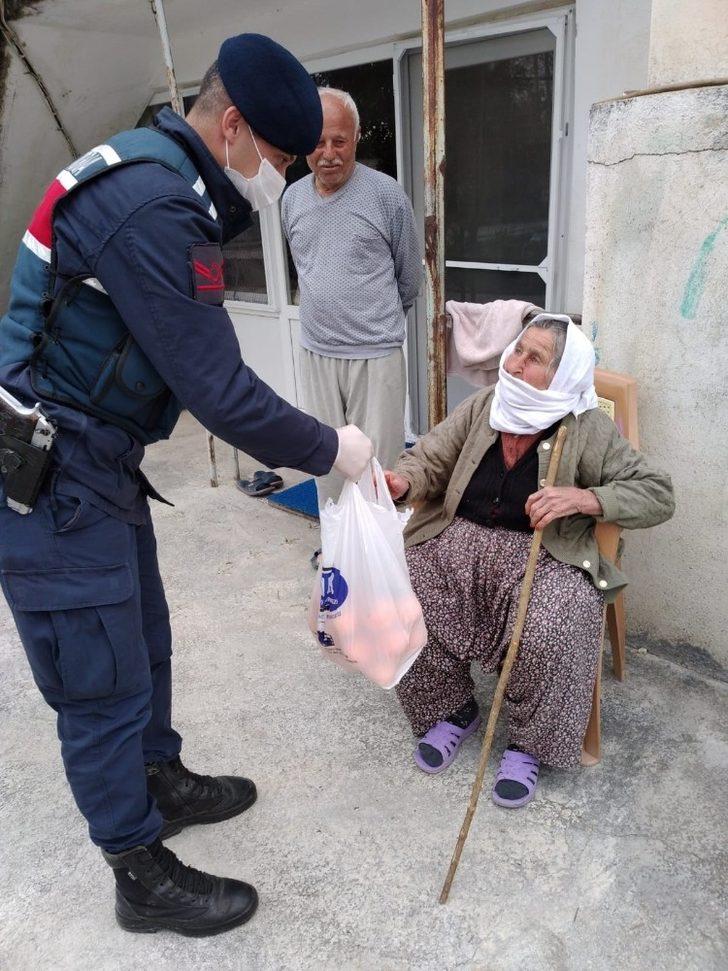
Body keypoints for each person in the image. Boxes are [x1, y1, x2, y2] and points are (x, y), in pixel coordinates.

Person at [0, 34, 373, 937]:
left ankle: (157, 777)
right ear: (233, 124)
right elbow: (220, 391)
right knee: (99, 680)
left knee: (145, 638)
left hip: (99, 460)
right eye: (278, 156)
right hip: (49, 478)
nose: (280, 175)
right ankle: (138, 870)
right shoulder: (153, 204)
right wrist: (335, 449)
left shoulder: (159, 174)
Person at [384, 315, 674, 807]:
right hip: (459, 538)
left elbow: (657, 494)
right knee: (398, 593)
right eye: (516, 350)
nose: (513, 365)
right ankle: (451, 710)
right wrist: (403, 483)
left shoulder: (587, 428)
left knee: (554, 623)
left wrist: (584, 499)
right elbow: (430, 457)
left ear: (561, 376)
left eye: (533, 358)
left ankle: (528, 745)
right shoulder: (485, 405)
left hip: (546, 554)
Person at [281, 86, 422, 514]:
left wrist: (373, 323)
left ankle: (380, 557)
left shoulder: (385, 195)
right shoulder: (292, 199)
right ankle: (337, 546)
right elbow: (306, 266)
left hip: (374, 356)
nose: (327, 153)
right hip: (317, 352)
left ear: (356, 138)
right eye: (317, 141)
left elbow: (409, 276)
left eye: (338, 141)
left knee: (378, 466)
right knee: (326, 459)